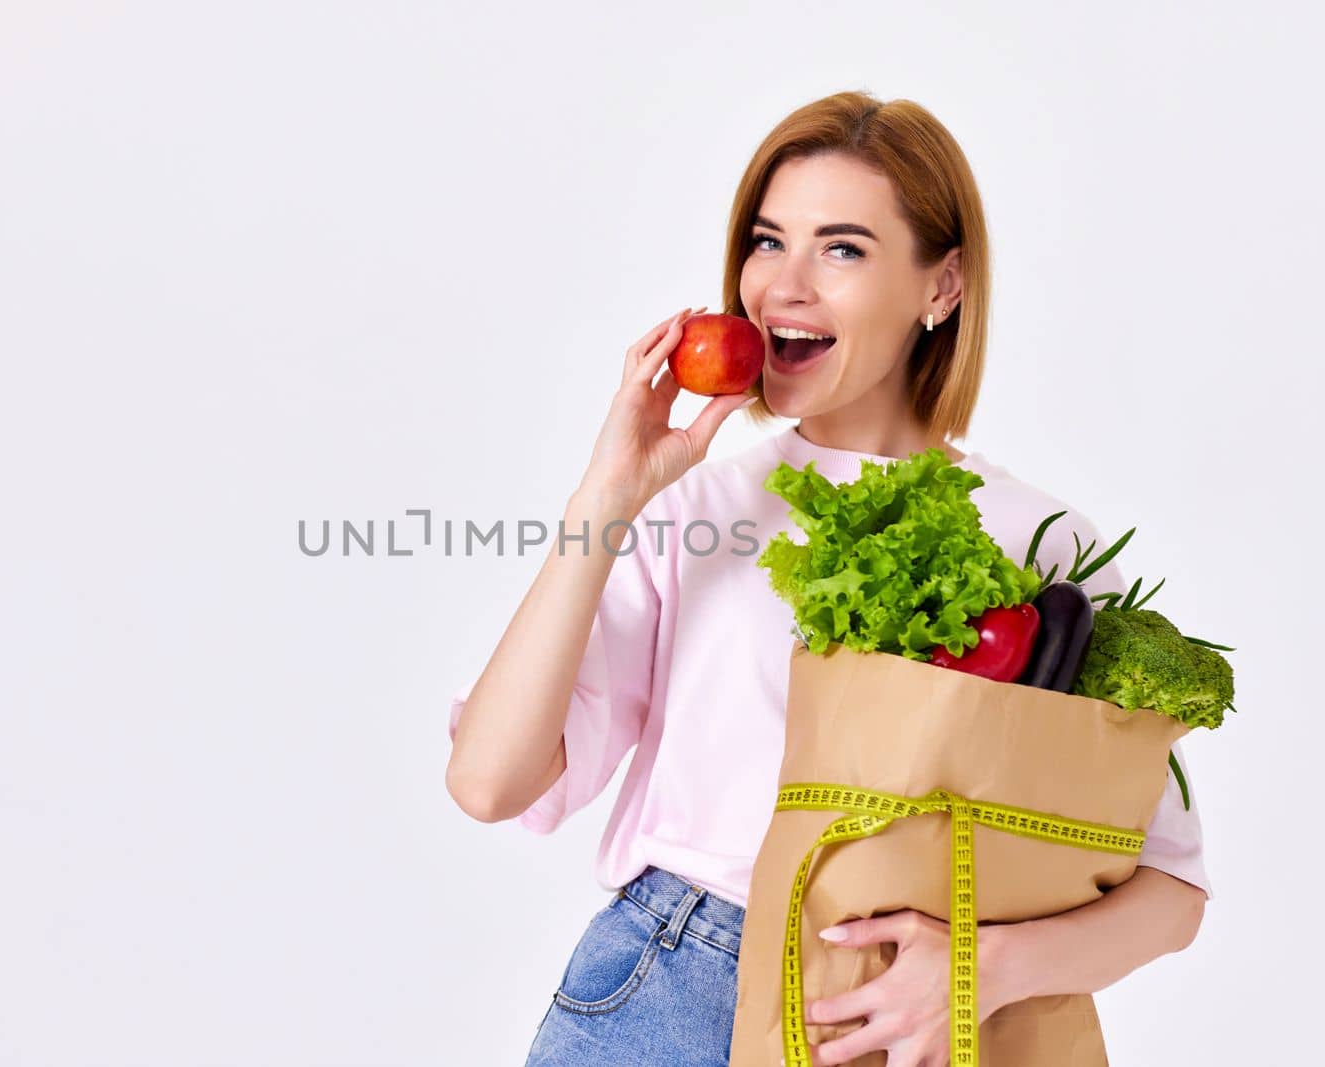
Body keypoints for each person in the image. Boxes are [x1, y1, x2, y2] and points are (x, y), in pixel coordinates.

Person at [443, 90, 1210, 1067]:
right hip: (673, 984)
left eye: (840, 248)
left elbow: (1169, 887)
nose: (783, 285)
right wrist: (609, 492)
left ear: (942, 284)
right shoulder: (696, 506)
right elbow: (488, 779)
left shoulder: (1042, 542)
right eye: (767, 241)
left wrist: (982, 969)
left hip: (895, 1013)